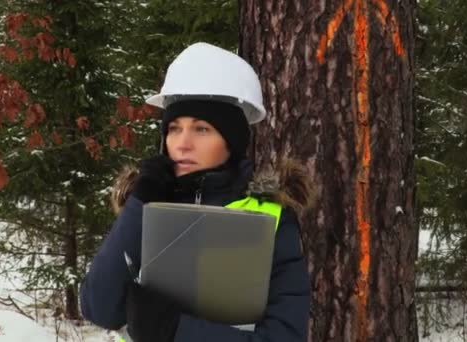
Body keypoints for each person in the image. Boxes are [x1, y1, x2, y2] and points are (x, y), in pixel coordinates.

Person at [79, 43, 313, 342]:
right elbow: (99, 309)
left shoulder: (270, 216)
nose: (182, 143)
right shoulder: (147, 206)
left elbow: (285, 337)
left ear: (232, 141)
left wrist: (177, 332)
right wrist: (140, 201)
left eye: (201, 129)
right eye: (174, 128)